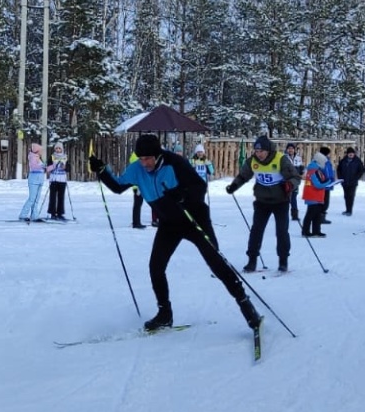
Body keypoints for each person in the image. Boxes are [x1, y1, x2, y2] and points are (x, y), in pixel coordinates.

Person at [91, 133, 260, 333]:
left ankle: (247, 308)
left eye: (147, 158)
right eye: (141, 158)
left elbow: (200, 186)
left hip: (193, 218)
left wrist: (183, 195)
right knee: (156, 266)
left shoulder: (174, 163)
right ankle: (165, 314)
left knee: (216, 262)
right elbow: (119, 187)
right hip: (169, 223)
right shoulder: (137, 169)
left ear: (157, 155)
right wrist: (101, 171)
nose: (144, 163)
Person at [227, 135, 299, 273]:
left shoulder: (280, 159)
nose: (258, 154)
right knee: (256, 230)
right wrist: (233, 186)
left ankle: (283, 260)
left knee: (281, 231)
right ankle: (252, 260)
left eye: (261, 151)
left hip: (280, 201)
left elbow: (295, 177)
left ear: (268, 150)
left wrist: (290, 185)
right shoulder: (252, 161)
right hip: (262, 201)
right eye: (256, 151)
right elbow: (243, 176)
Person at [300, 149, 332, 237]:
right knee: (310, 215)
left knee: (317, 215)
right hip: (312, 196)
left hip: (316, 196)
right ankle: (305, 231)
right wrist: (328, 183)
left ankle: (316, 231)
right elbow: (317, 184)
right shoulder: (313, 170)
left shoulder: (316, 169)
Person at [20, 142, 46, 221]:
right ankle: (23, 215)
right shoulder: (32, 157)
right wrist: (43, 166)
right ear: (37, 150)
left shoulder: (38, 157)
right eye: (40, 150)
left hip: (40, 180)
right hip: (34, 179)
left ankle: (35, 215)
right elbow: (34, 167)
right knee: (32, 198)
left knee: (36, 199)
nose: (41, 152)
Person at [336, 145, 364, 216]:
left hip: (353, 182)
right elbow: (339, 170)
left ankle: (350, 210)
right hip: (344, 181)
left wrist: (356, 178)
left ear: (354, 154)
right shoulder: (343, 161)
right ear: (347, 154)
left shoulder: (357, 161)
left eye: (352, 153)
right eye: (349, 153)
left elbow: (361, 171)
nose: (351, 154)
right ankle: (347, 209)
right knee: (346, 196)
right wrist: (340, 178)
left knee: (351, 196)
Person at [46, 143, 69, 221]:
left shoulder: (65, 157)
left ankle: (60, 213)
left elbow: (69, 168)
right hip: (54, 179)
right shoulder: (52, 157)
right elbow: (48, 168)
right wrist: (53, 166)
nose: (58, 150)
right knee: (52, 197)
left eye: (59, 148)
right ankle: (52, 213)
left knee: (61, 197)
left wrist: (65, 167)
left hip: (62, 179)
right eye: (56, 148)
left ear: (62, 149)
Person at [284, 143, 302, 221]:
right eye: (289, 148)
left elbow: (300, 168)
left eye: (292, 148)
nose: (290, 150)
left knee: (294, 197)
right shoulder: (284, 158)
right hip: (287, 180)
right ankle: (283, 214)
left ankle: (295, 215)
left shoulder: (298, 158)